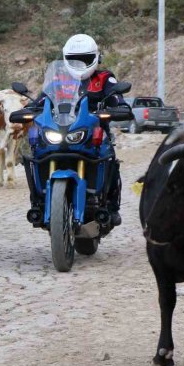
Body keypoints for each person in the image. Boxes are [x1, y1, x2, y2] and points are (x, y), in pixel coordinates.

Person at [35, 34, 131, 226]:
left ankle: (111, 205)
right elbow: (42, 100)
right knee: (35, 152)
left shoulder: (105, 79)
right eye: (74, 59)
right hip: (61, 130)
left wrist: (119, 108)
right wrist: (29, 110)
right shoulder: (58, 80)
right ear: (65, 59)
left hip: (93, 135)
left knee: (109, 158)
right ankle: (37, 202)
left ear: (95, 57)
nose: (79, 64)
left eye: (85, 59)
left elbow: (118, 100)